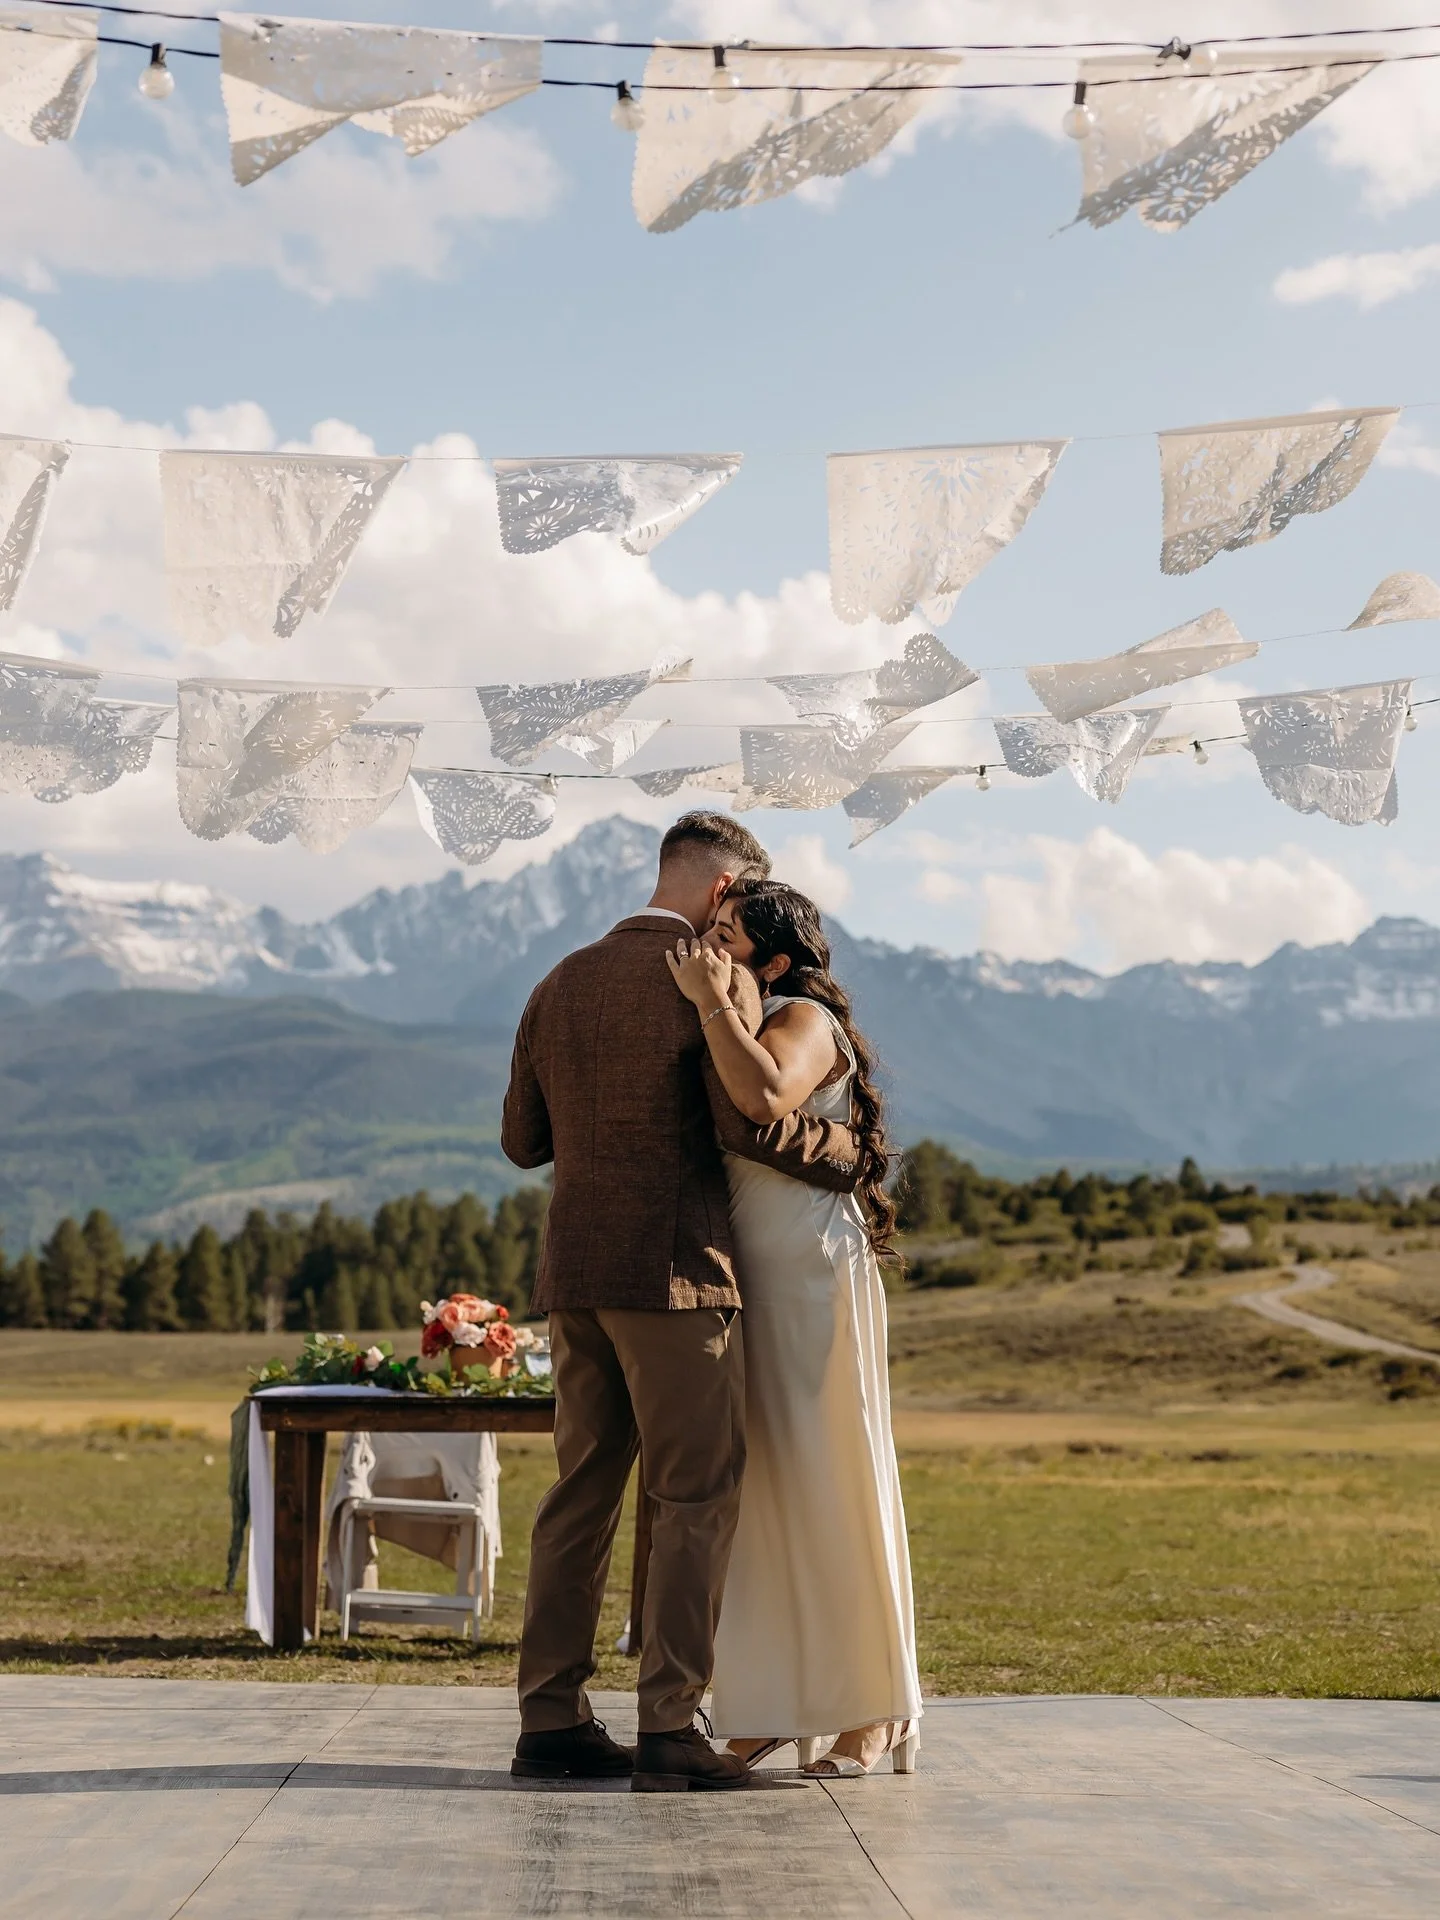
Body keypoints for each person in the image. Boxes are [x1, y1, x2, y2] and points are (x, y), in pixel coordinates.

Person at [501, 813, 863, 1793]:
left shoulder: (558, 982)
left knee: (580, 1493)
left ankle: (550, 1720)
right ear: (720, 894)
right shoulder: (720, 980)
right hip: (678, 1271)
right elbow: (751, 1123)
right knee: (695, 1496)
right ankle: (669, 1724)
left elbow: (521, 1142)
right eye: (741, 901)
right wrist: (854, 1157)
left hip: (573, 1271)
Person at [666, 878, 923, 1779]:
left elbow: (767, 1096)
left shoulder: (802, 1014)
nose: (708, 952)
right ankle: (769, 1700)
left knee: (828, 1475)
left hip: (811, 1271)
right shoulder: (740, 1001)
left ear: (773, 962)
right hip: (752, 1268)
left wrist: (709, 1006)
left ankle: (871, 1712)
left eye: (726, 938)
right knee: (764, 1487)